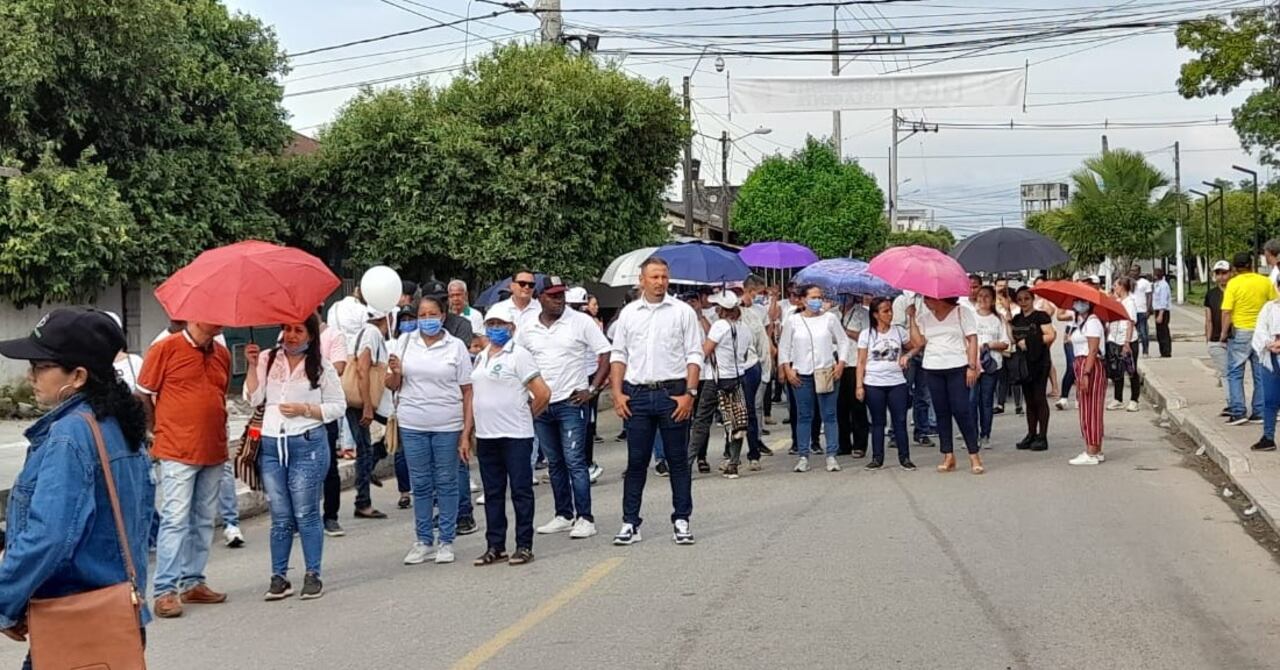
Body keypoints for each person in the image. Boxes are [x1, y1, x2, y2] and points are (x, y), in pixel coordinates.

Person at [0, 309, 154, 668]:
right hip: (117, 616)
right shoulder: (118, 423)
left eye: (41, 366)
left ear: (78, 376)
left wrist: (6, 600)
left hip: (74, 620)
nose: (30, 375)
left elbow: (49, 535)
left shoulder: (70, 435)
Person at [243, 314, 343, 601]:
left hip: (306, 443)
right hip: (272, 444)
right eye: (287, 329)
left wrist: (305, 409)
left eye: (299, 330)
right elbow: (254, 398)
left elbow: (338, 406)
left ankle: (313, 574)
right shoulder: (268, 358)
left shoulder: (321, 366)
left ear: (311, 334)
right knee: (280, 515)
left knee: (306, 511)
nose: (292, 335)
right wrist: (251, 365)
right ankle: (279, 576)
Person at [136, 320, 230, 618]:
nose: (222, 319)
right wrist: (157, 429)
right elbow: (143, 394)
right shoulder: (165, 348)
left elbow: (220, 393)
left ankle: (193, 581)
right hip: (177, 449)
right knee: (175, 520)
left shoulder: (222, 354)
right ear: (197, 316)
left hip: (213, 447)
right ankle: (165, 590)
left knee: (204, 519)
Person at [609, 257, 702, 547]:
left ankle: (682, 519)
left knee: (677, 460)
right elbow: (619, 354)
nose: (660, 282)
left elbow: (694, 354)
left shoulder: (682, 312)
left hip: (672, 393)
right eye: (654, 277)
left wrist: (690, 394)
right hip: (636, 394)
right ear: (642, 280)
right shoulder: (629, 314)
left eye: (664, 277)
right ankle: (630, 522)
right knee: (636, 461)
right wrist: (617, 393)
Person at [520, 277, 611, 540]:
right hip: (541, 404)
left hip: (572, 402)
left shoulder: (580, 321)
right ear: (539, 297)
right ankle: (564, 514)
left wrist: (592, 389)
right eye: (552, 295)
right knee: (555, 462)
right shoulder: (527, 326)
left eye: (561, 294)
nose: (558, 300)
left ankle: (585, 517)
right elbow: (518, 358)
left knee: (575, 461)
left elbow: (605, 352)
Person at [387, 294, 474, 566]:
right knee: (421, 484)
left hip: (447, 424)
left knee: (447, 482)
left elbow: (467, 391)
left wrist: (466, 432)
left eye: (432, 314)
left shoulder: (455, 346)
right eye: (422, 315)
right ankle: (424, 540)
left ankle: (446, 540)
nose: (427, 320)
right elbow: (391, 385)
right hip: (412, 423)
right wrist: (395, 371)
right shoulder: (404, 342)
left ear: (443, 316)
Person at [471, 305, 551, 566]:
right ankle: (495, 545)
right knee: (493, 492)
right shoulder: (481, 356)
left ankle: (524, 544)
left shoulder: (519, 355)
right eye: (491, 324)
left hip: (515, 434)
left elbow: (542, 393)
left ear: (512, 328)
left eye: (501, 324)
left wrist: (527, 415)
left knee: (520, 490)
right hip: (487, 434)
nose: (495, 329)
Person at [420, 280, 477, 534]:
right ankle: (443, 512)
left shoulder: (460, 326)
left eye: (442, 301)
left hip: (453, 405)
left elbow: (459, 363)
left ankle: (463, 514)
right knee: (433, 469)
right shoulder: (414, 336)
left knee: (457, 465)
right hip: (424, 410)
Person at [778, 284, 851, 473]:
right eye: (813, 297)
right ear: (803, 300)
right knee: (804, 415)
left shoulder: (830, 319)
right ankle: (803, 455)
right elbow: (784, 346)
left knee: (829, 414)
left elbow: (843, 341)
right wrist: (787, 368)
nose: (817, 301)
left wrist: (841, 363)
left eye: (819, 297)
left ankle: (831, 455)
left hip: (826, 372)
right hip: (802, 373)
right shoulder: (793, 321)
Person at [910, 295, 984, 474]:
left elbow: (972, 339)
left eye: (927, 299)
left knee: (961, 410)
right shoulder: (925, 317)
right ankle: (948, 454)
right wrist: (911, 318)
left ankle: (974, 454)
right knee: (941, 412)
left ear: (938, 298)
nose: (925, 302)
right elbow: (918, 342)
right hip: (932, 367)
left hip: (957, 365)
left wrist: (972, 366)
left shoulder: (961, 312)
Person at [856, 297, 918, 470]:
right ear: (875, 314)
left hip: (896, 381)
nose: (890, 314)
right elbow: (861, 361)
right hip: (873, 382)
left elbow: (915, 346)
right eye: (885, 311)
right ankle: (877, 458)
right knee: (878, 421)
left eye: (890, 310)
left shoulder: (898, 331)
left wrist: (907, 355)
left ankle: (905, 457)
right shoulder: (866, 334)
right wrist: (859, 385)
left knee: (900, 420)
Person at [699, 292, 756, 479]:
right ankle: (733, 463)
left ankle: (688, 461)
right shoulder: (744, 328)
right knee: (736, 421)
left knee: (701, 421)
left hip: (716, 379)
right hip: (738, 377)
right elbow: (744, 355)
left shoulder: (719, 325)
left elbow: (706, 351)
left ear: (722, 310)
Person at [1220, 252, 1276, 426]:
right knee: (1260, 373)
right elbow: (1276, 304)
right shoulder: (1265, 282)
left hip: (1241, 331)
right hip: (1261, 332)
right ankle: (1259, 412)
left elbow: (1227, 311)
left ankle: (1238, 412)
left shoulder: (1233, 284)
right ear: (1251, 265)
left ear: (1235, 268)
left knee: (1235, 372)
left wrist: (1223, 333)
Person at [348, 306, 392, 521]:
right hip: (362, 400)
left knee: (378, 442)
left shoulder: (364, 332)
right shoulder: (372, 334)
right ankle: (363, 502)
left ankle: (371, 468)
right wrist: (367, 404)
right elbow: (362, 368)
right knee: (365, 449)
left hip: (364, 400)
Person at [566, 287, 606, 482]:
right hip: (575, 377)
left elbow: (604, 352)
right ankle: (580, 463)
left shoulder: (587, 323)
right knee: (579, 424)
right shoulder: (576, 322)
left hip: (588, 377)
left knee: (586, 424)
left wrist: (595, 384)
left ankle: (586, 463)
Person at [1010, 286, 1056, 450]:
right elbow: (1012, 337)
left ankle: (1042, 436)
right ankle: (1031, 433)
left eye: (1026, 298)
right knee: (1029, 400)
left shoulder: (1041, 316)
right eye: (1020, 299)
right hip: (1024, 363)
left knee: (1039, 398)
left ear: (1032, 299)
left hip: (1039, 362)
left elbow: (1050, 335)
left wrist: (1029, 342)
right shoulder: (1016, 318)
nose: (1023, 302)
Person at [318, 316, 349, 537]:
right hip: (298, 415)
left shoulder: (333, 335)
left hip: (325, 412)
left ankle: (331, 516)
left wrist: (311, 364)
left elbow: (338, 367)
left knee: (329, 467)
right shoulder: (286, 335)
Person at [1068, 299, 1108, 465]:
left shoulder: (1092, 322)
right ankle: (1096, 449)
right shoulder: (1080, 322)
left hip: (1089, 364)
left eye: (1082, 301)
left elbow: (1093, 349)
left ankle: (1091, 452)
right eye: (1076, 301)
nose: (1079, 304)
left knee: (1090, 409)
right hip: (1081, 363)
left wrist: (1086, 373)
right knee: (1088, 408)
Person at [970, 286, 1009, 449]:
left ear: (993, 299)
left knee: (986, 401)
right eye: (980, 296)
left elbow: (1005, 343)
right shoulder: (970, 317)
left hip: (991, 365)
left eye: (987, 296)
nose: (983, 299)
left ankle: (985, 434)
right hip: (972, 365)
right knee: (971, 401)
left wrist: (990, 345)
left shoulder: (998, 319)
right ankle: (972, 436)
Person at [836, 294, 871, 458]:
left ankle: (860, 444)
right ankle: (843, 444)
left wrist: (846, 331)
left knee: (857, 406)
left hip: (855, 363)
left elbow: (866, 338)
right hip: (837, 363)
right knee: (840, 407)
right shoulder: (832, 314)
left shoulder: (862, 313)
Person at [1107, 278, 1142, 413]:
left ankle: (1134, 400)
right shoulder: (1117, 301)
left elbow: (1130, 323)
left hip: (1128, 341)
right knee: (1117, 370)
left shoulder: (1129, 302)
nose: (1114, 287)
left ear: (1122, 287)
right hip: (1115, 339)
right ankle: (1118, 398)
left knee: (1131, 369)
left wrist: (1127, 343)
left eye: (1116, 285)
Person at [1206, 260, 1233, 408]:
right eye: (1218, 273)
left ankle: (1234, 403)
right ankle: (1232, 403)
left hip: (1234, 338)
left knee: (1233, 373)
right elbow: (1208, 318)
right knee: (1226, 372)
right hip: (1217, 340)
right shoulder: (1211, 294)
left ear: (1231, 273)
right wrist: (1208, 340)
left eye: (1224, 273)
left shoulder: (1235, 290)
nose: (1221, 276)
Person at [326, 286, 367, 352]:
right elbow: (367, 335)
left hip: (336, 351)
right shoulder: (362, 309)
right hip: (355, 352)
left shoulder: (333, 307)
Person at [1129, 266, 1153, 357]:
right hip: (1131, 310)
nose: (1133, 273)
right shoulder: (1129, 282)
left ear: (1139, 272)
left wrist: (1148, 309)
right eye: (1131, 271)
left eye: (1135, 271)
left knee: (1143, 332)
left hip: (1141, 310)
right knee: (1131, 333)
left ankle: (1145, 351)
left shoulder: (1145, 282)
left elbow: (1149, 296)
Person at [1152, 268, 1172, 357]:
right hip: (1157, 310)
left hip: (1163, 311)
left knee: (1164, 331)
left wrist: (1160, 314)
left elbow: (1163, 301)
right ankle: (1162, 351)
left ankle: (1166, 351)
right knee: (1159, 332)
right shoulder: (1156, 284)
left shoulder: (1164, 285)